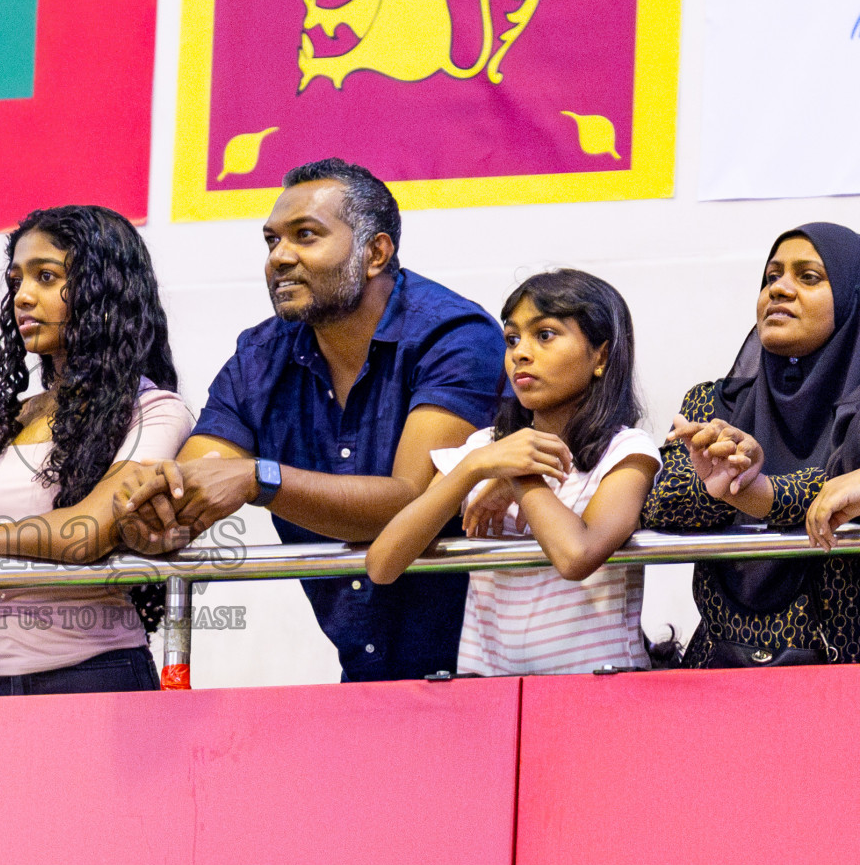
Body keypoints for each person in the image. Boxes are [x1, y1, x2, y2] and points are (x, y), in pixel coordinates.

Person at [115, 158, 506, 681]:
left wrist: (261, 478)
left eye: (305, 236)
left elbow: (410, 501)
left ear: (374, 253)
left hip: (486, 677)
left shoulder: (454, 336)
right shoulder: (259, 356)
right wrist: (155, 512)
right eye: (271, 241)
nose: (280, 257)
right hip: (360, 679)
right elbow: (188, 491)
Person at [0, 206, 192, 700]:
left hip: (96, 677)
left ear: (104, 291)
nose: (23, 297)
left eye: (47, 276)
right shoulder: (4, 419)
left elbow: (88, 531)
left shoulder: (155, 410)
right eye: (16, 281)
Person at [366, 270, 660, 674]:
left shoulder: (626, 451)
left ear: (601, 356)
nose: (521, 352)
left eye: (545, 334)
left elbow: (575, 557)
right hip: (491, 695)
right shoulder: (486, 450)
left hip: (598, 690)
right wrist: (473, 468)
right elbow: (383, 564)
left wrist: (519, 477)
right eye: (512, 338)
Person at [643, 223, 860, 666]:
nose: (779, 289)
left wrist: (753, 486)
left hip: (839, 675)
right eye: (771, 277)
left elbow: (833, 490)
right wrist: (717, 481)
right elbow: (660, 505)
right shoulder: (713, 402)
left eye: (809, 277)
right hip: (720, 671)